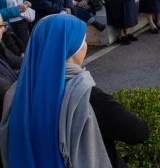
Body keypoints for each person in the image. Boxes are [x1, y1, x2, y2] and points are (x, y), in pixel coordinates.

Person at [0, 14, 150, 167]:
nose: (85, 45)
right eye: (83, 40)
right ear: (71, 48)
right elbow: (138, 131)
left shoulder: (15, 93)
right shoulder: (83, 94)